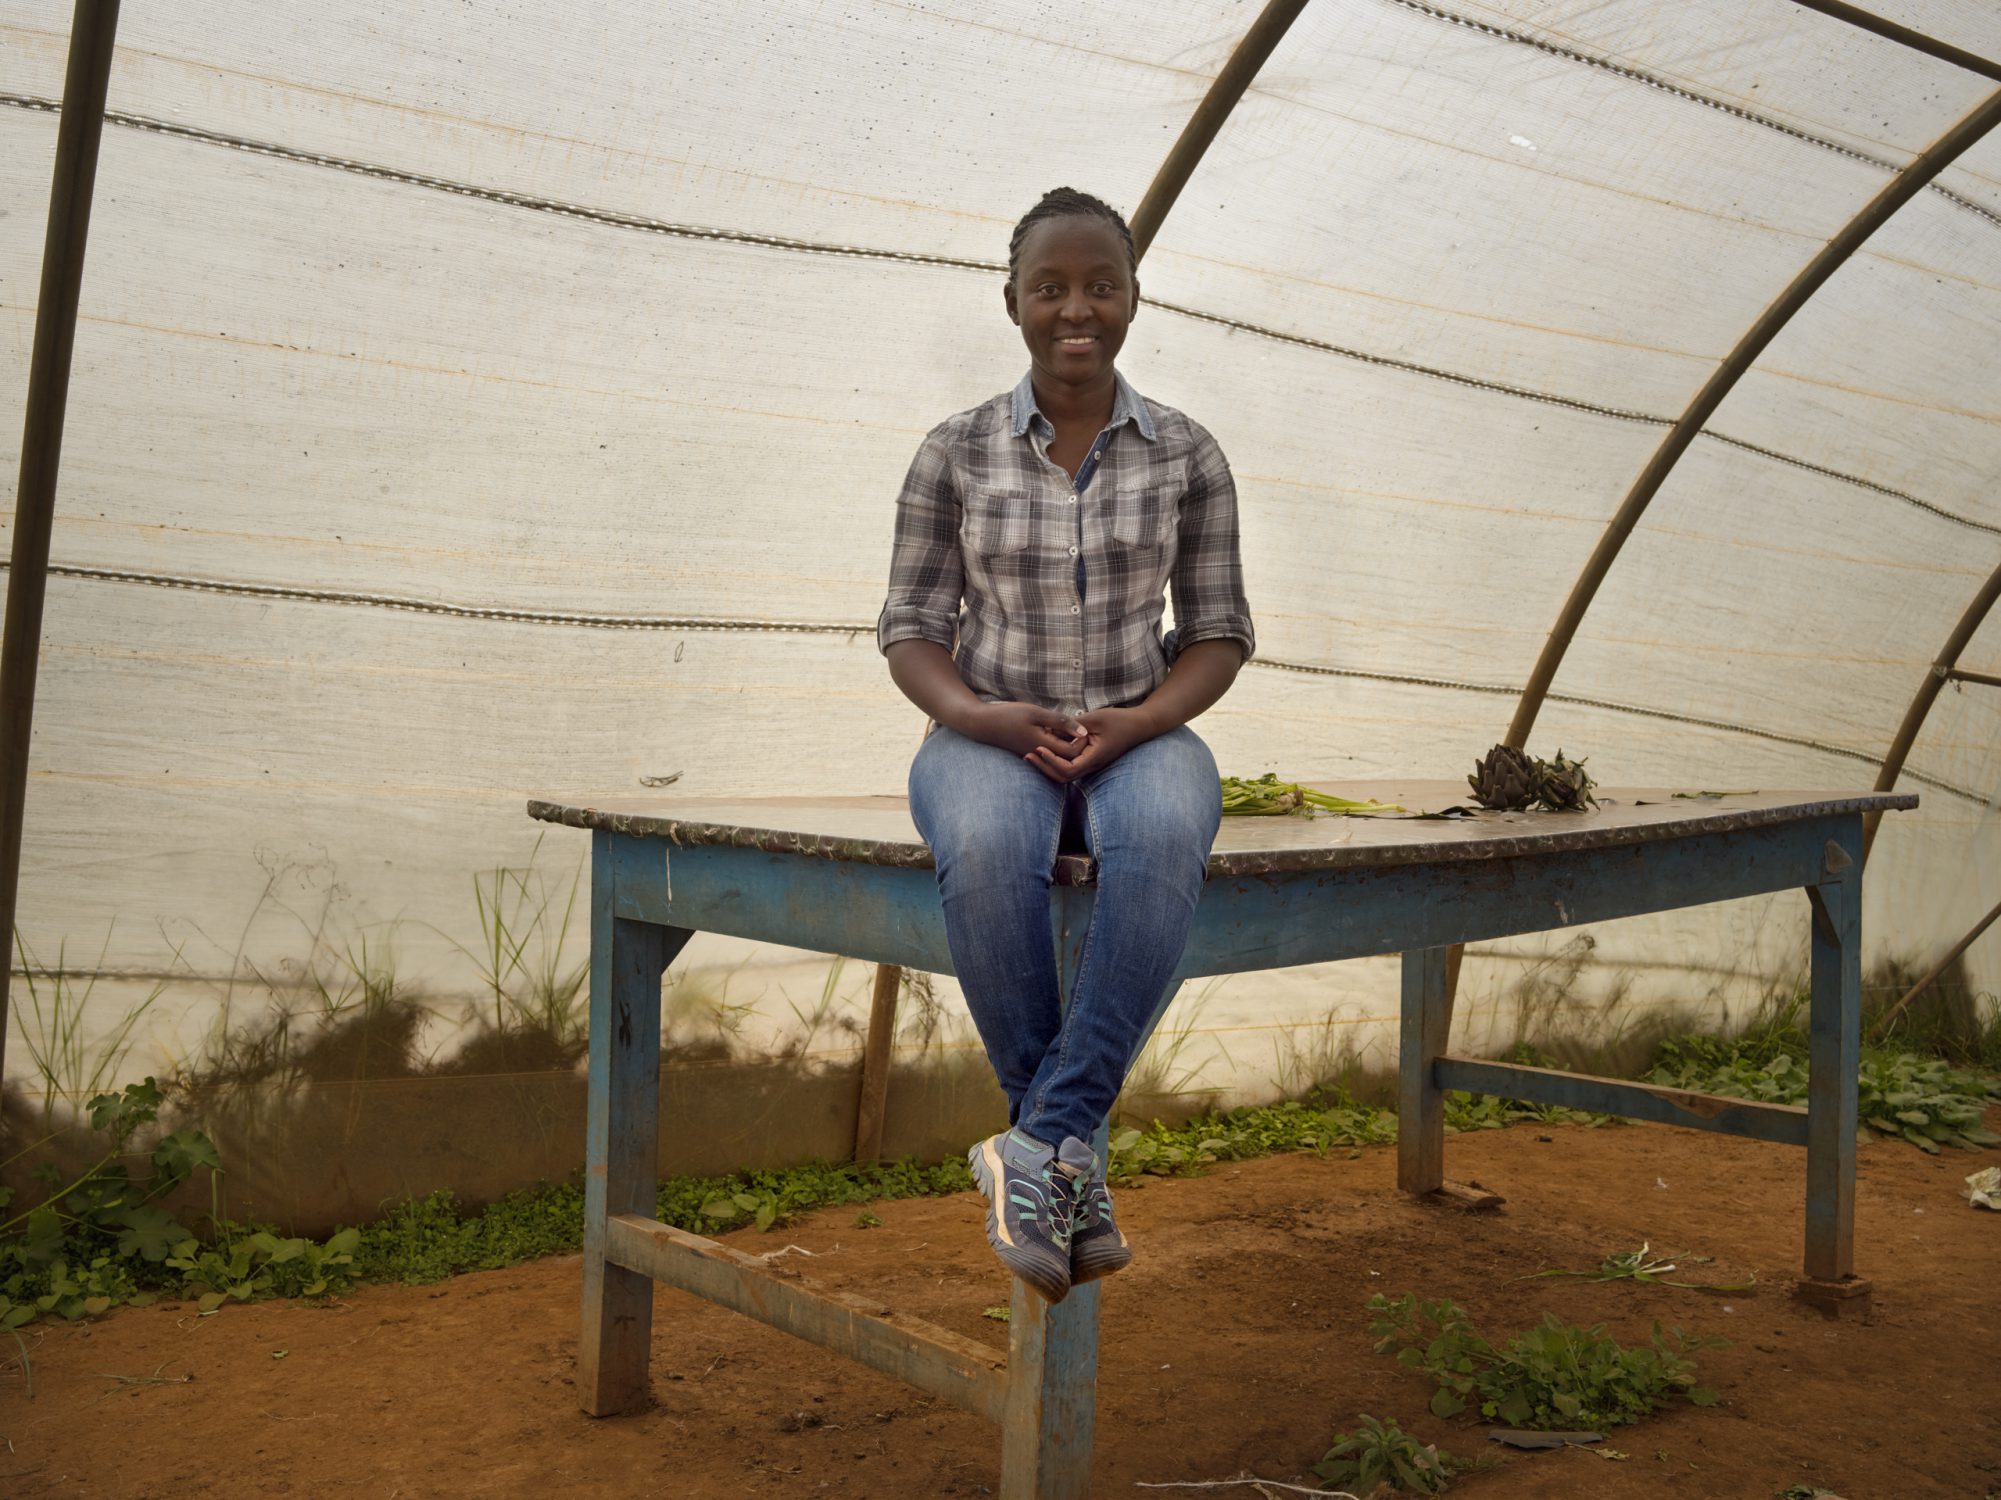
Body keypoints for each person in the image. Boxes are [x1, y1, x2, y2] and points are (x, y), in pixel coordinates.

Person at [876, 187, 1254, 1304]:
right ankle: (1067, 1156)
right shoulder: (953, 453)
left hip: (1142, 730)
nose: (1075, 309)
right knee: (989, 850)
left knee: (1170, 835)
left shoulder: (1187, 453)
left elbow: (1219, 633)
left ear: (1136, 298)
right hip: (987, 731)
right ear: (1014, 304)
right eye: (1051, 288)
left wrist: (1144, 721)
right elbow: (910, 629)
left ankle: (1034, 1145)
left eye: (1101, 285)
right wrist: (979, 715)